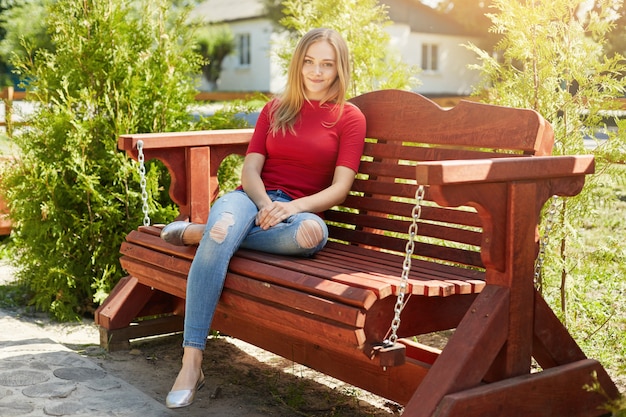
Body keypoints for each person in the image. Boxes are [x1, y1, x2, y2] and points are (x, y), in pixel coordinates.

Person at [161, 28, 366, 409]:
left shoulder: (349, 117)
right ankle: (192, 363)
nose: (316, 72)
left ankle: (202, 233)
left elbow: (340, 189)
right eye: (309, 62)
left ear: (340, 68)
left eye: (327, 64)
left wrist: (291, 208)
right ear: (298, 63)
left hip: (298, 213)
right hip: (249, 201)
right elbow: (250, 170)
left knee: (309, 235)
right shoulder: (275, 108)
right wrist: (262, 204)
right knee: (225, 227)